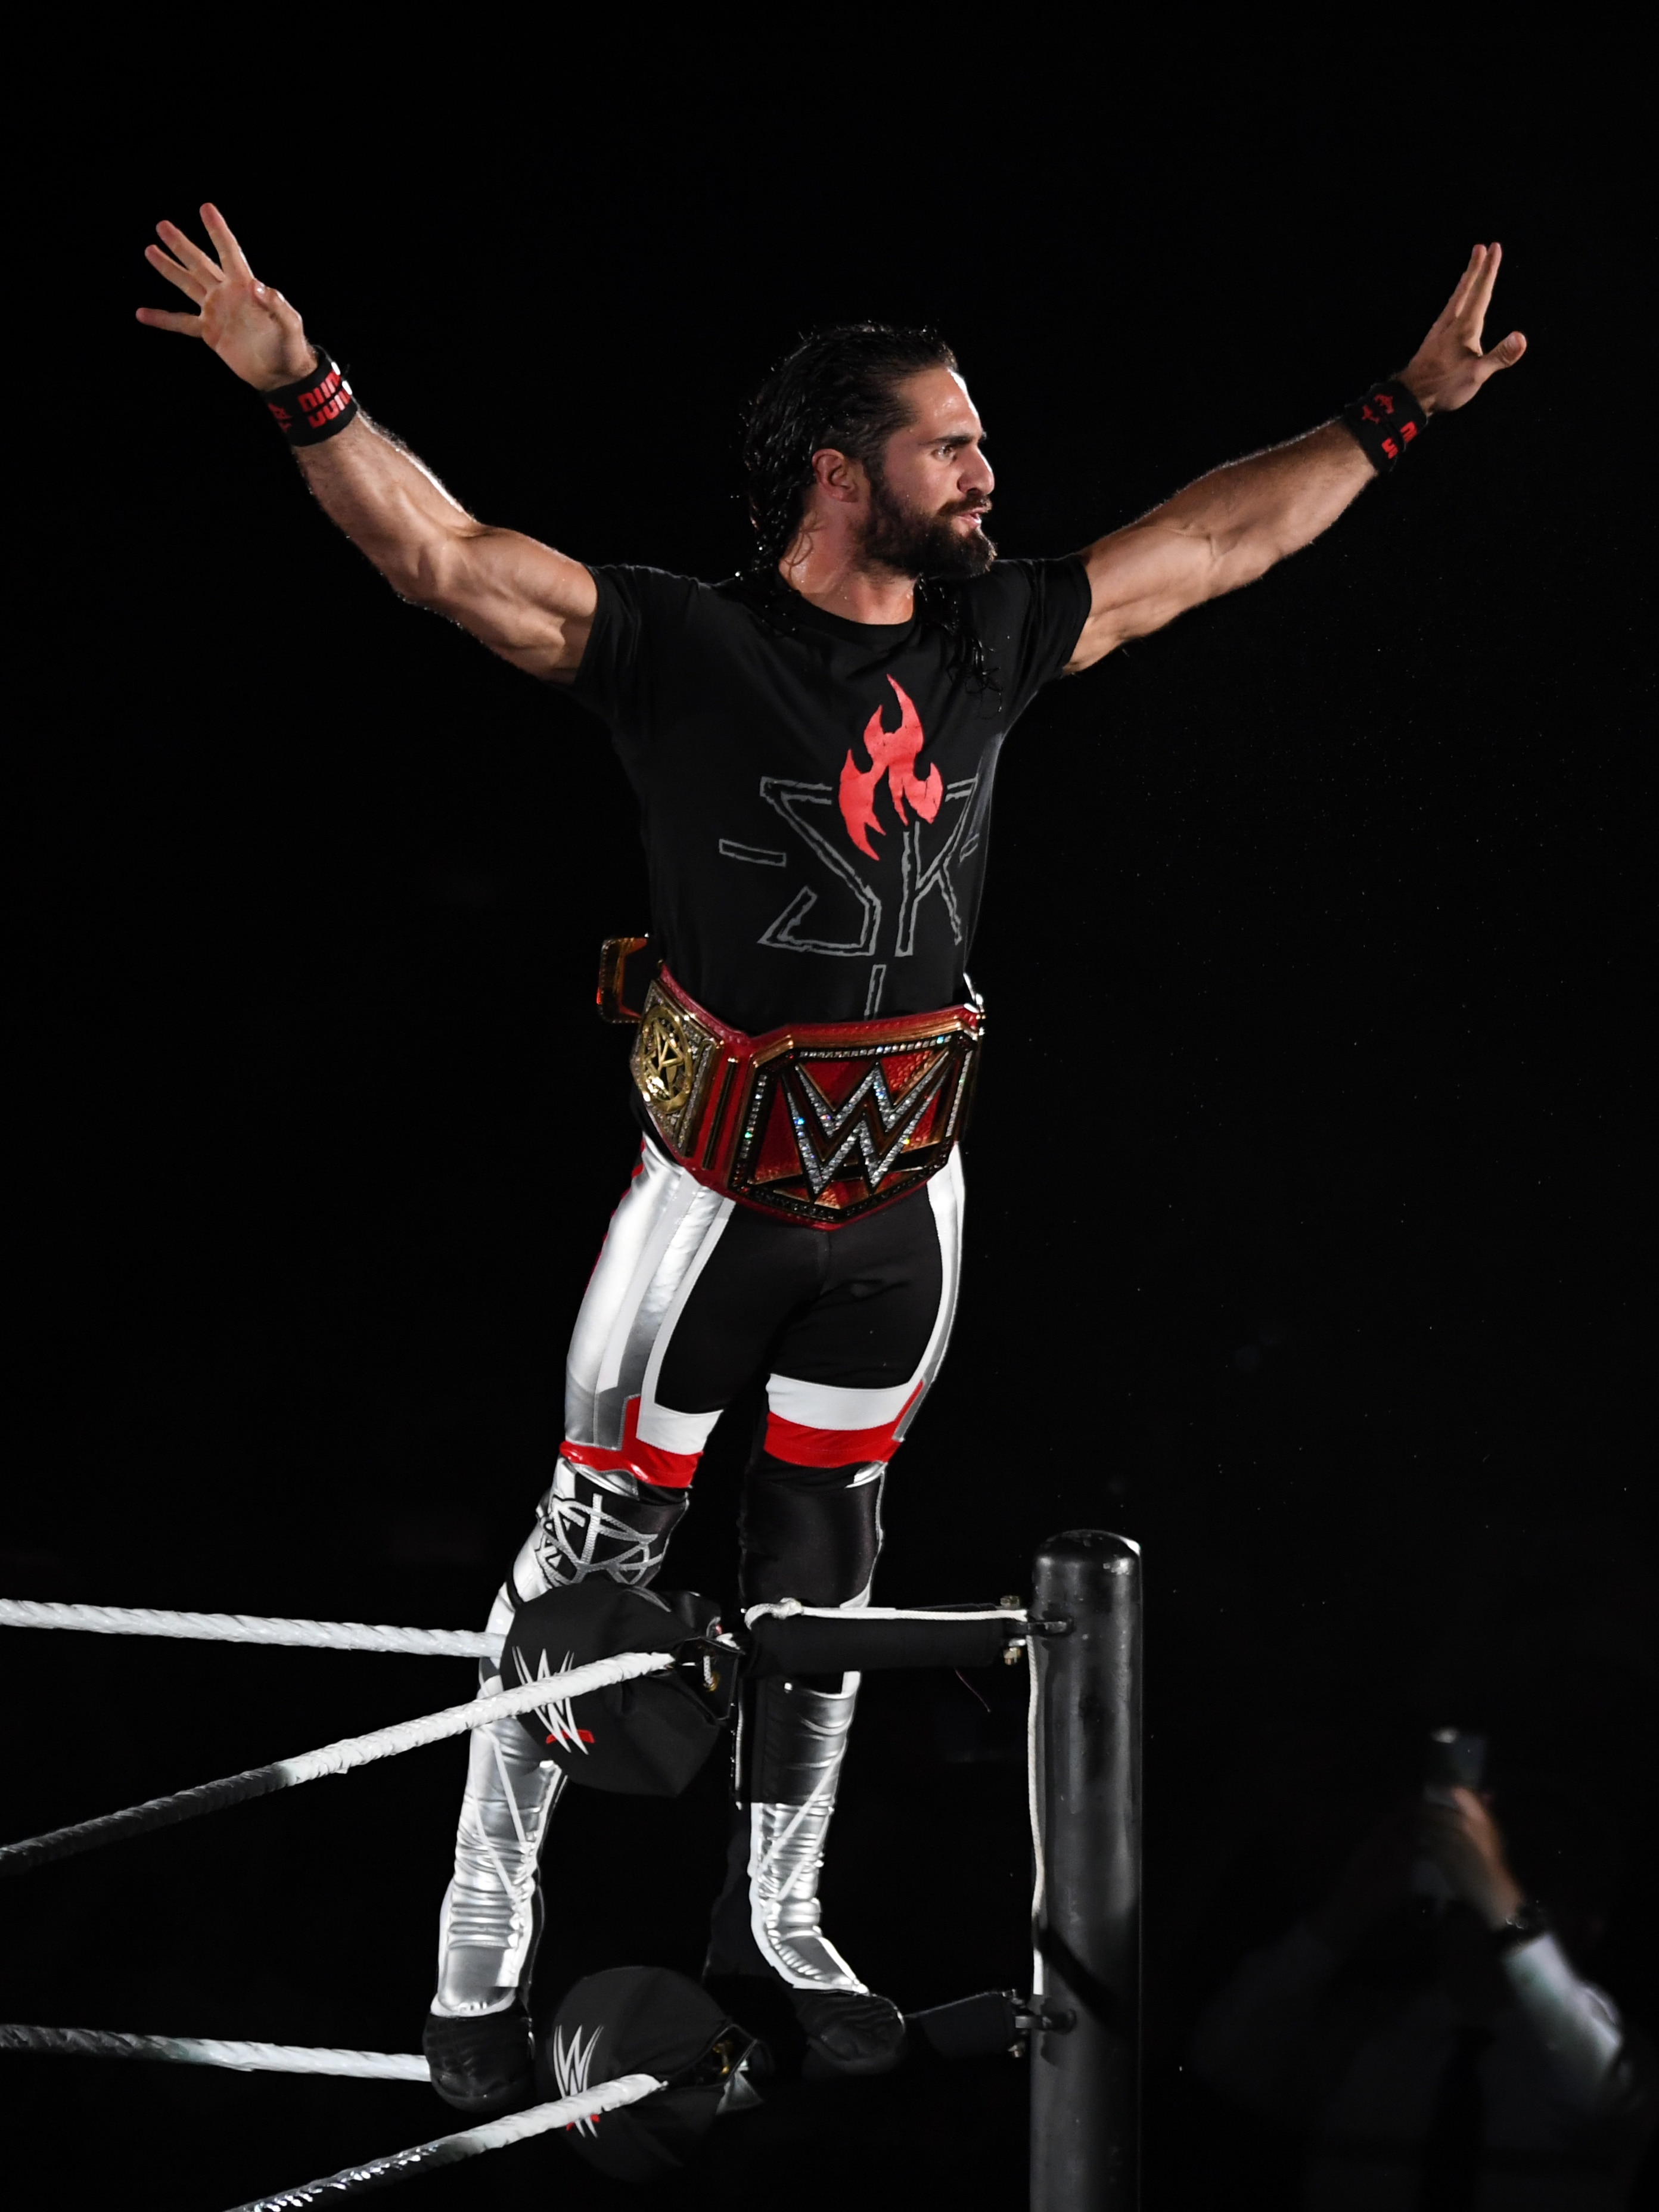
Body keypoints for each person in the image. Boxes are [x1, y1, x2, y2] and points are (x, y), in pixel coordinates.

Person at [136, 203, 1526, 2115]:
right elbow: (446, 561)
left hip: (900, 1212)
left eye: (979, 440)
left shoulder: (995, 637)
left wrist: (1397, 414)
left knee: (829, 1562)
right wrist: (299, 380)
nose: (985, 469)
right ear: (835, 464)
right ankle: (478, 1942)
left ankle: (775, 1914)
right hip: (710, 1206)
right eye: (947, 439)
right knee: (581, 1572)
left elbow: (1210, 538)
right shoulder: (687, 646)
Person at [1190, 1779, 1658, 2207]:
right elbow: (1224, 2059)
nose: (1479, 1889)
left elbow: (1607, 2091)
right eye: (1476, 1867)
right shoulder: (1368, 2035)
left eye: (1531, 1879)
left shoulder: (1610, 2052)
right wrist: (1353, 1903)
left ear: (1589, 1927)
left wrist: (1501, 1898)